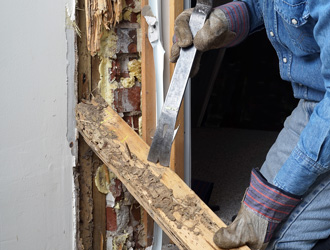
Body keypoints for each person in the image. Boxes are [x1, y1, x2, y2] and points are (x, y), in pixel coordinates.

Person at [170, 1, 330, 249]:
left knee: (280, 240)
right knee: (255, 234)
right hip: (316, 102)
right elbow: (267, 5)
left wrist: (270, 205)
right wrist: (226, 21)